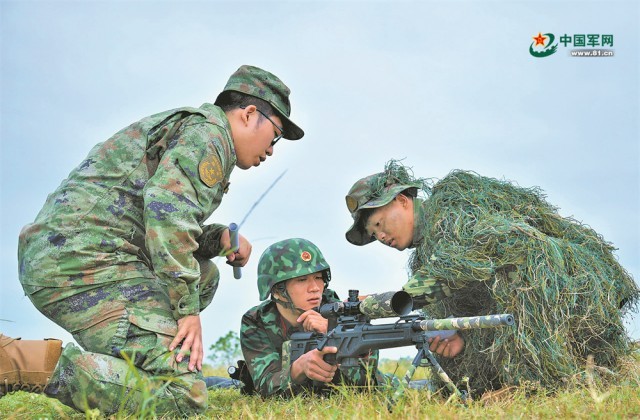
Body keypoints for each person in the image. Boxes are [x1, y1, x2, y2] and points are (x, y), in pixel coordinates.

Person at [6, 65, 304, 416]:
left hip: (77, 253)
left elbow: (159, 220)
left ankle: (128, 365)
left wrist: (218, 237)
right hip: (82, 259)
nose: (272, 150)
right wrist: (187, 313)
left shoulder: (197, 132)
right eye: (275, 135)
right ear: (249, 113)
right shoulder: (209, 136)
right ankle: (17, 361)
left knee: (205, 275)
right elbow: (168, 215)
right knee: (183, 396)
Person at [343, 160, 639, 395]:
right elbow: (483, 308)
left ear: (402, 200)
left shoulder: (452, 204)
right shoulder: (425, 257)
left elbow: (471, 258)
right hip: (546, 311)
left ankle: (533, 387)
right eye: (373, 234)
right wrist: (461, 340)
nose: (381, 237)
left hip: (575, 289)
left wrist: (386, 303)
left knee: (523, 266)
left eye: (379, 223)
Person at [239, 238, 387, 397]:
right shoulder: (256, 321)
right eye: (302, 280)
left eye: (318, 278)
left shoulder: (341, 313)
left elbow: (366, 382)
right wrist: (298, 369)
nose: (315, 288)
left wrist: (333, 332)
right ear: (277, 290)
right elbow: (265, 387)